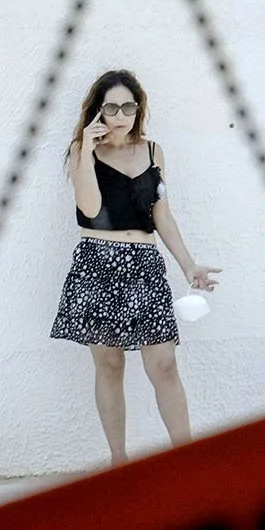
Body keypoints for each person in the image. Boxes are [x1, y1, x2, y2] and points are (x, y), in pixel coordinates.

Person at [51, 69, 219, 465]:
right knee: (109, 364)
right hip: (97, 264)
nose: (121, 113)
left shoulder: (152, 150)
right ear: (99, 111)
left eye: (129, 105)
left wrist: (188, 265)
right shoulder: (82, 151)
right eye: (112, 106)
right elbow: (90, 209)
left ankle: (187, 460)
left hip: (144, 265)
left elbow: (161, 214)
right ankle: (119, 462)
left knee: (163, 363)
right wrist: (88, 154)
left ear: (138, 108)